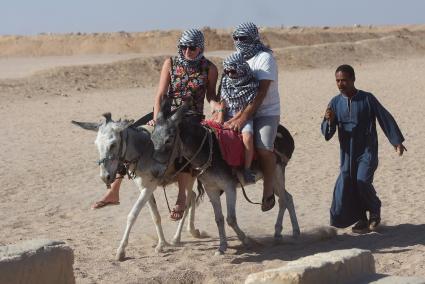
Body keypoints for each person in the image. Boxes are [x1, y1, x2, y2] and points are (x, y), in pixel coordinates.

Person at [93, 29, 219, 222]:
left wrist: (216, 106)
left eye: (192, 47)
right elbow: (160, 94)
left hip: (190, 115)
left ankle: (182, 197)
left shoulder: (209, 68)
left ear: (200, 48)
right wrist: (157, 117)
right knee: (127, 135)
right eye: (183, 47)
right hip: (165, 112)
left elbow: (210, 94)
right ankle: (114, 191)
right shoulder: (171, 63)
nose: (187, 51)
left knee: (183, 146)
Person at [321, 64, 406, 233]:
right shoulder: (335, 102)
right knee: (347, 182)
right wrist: (329, 121)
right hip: (347, 154)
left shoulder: (367, 98)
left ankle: (374, 210)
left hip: (367, 150)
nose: (340, 84)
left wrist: (396, 141)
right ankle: (361, 218)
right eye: (337, 81)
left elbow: (384, 117)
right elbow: (327, 134)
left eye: (344, 80)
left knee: (362, 181)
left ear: (353, 79)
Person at [223, 22, 280, 211]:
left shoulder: (265, 58)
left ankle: (268, 190)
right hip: (236, 110)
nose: (239, 42)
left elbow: (261, 92)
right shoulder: (236, 58)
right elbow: (225, 87)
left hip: (265, 111)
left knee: (263, 147)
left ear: (254, 38)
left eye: (244, 38)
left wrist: (243, 118)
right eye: (236, 38)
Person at [218, 52, 259, 183]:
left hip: (243, 116)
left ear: (241, 68)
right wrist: (220, 117)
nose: (230, 74)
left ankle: (247, 169)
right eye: (227, 71)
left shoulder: (252, 83)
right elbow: (223, 101)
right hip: (226, 113)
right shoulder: (225, 80)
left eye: (233, 71)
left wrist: (231, 122)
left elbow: (245, 110)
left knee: (247, 137)